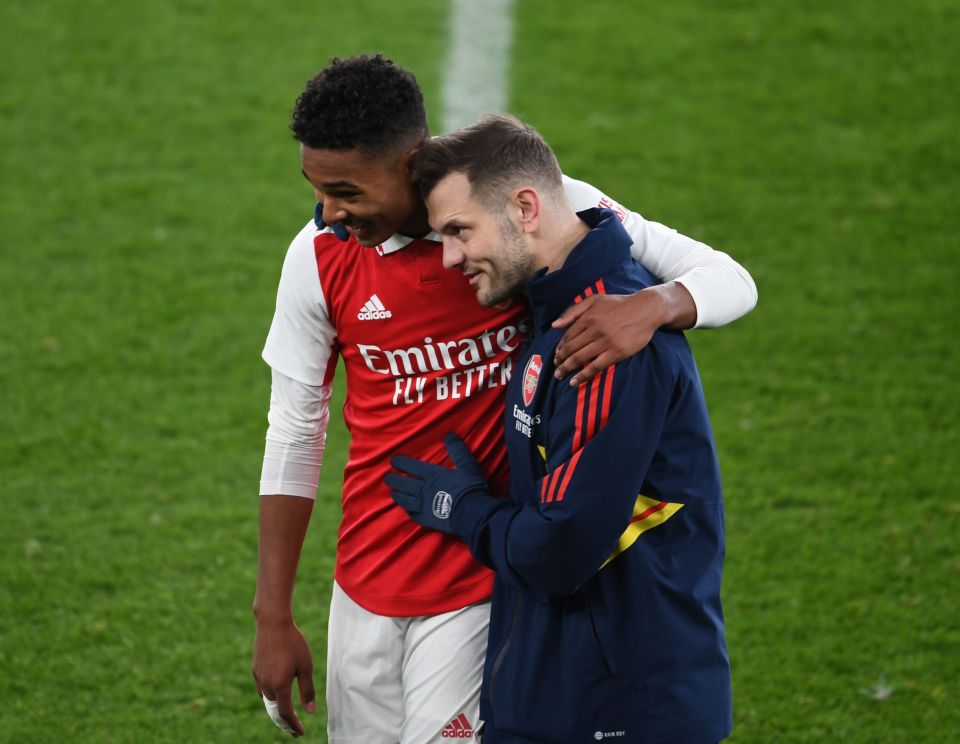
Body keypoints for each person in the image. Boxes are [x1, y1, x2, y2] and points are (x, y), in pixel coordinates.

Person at [252, 54, 754, 742]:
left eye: (346, 191)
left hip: (480, 575)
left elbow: (728, 277)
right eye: (317, 191)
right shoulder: (316, 254)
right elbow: (293, 427)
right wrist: (272, 615)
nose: (330, 214)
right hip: (365, 578)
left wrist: (658, 304)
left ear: (411, 162)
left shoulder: (524, 212)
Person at [387, 113, 732, 743]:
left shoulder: (603, 341)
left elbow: (559, 551)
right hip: (563, 697)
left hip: (619, 712)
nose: (450, 256)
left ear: (525, 207)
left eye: (459, 231)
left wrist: (464, 510)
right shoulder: (558, 311)